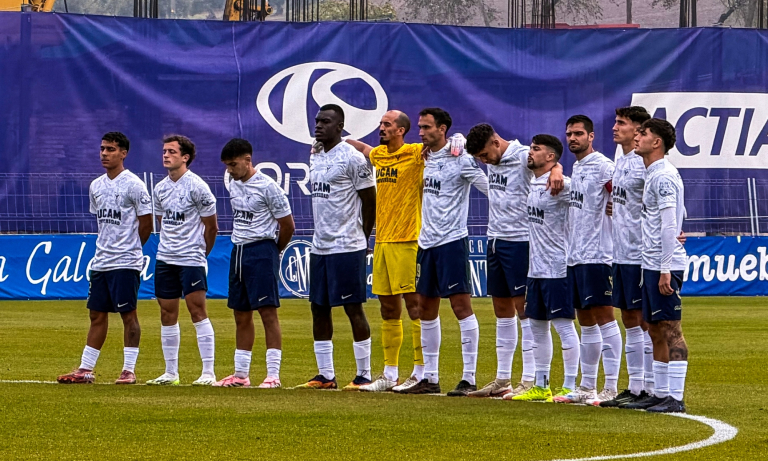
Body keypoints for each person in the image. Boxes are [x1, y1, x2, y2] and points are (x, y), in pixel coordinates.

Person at [464, 123, 564, 398]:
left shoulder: (522, 155)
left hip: (521, 241)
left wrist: (557, 169)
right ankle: (502, 379)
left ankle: (530, 378)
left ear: (496, 142)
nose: (484, 162)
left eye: (485, 155)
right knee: (501, 311)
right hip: (494, 239)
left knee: (525, 312)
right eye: (480, 159)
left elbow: (551, 162)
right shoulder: (491, 159)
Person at [398, 108, 489, 396]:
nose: (421, 132)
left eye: (426, 128)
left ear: (443, 128)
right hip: (426, 243)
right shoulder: (423, 158)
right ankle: (431, 377)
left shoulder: (460, 158)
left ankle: (469, 378)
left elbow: (489, 188)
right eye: (420, 128)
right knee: (425, 308)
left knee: (461, 307)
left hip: (452, 241)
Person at [57, 132, 152, 385]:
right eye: (102, 149)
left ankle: (129, 370)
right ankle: (85, 369)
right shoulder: (96, 185)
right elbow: (102, 221)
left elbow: (147, 224)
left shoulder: (135, 185)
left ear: (123, 153)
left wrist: (131, 249)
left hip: (126, 262)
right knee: (96, 315)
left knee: (128, 315)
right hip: (101, 261)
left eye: (110, 149)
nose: (104, 153)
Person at [294, 104, 377, 391]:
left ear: (340, 127)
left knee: (353, 308)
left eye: (326, 122)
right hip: (320, 247)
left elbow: (370, 201)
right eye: (317, 121)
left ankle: (364, 374)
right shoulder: (315, 153)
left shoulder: (352, 158)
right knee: (319, 308)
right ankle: (325, 375)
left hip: (347, 245)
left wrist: (362, 238)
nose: (318, 125)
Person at [344, 110, 426, 392]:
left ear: (401, 130)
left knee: (415, 305)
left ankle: (421, 372)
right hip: (383, 240)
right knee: (388, 307)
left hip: (408, 239)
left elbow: (443, 143)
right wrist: (341, 142)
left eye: (387, 124)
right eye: (381, 124)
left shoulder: (416, 153)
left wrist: (456, 141)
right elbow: (366, 149)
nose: (381, 128)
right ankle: (389, 374)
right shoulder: (380, 154)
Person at [554, 115, 623, 406]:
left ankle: (612, 387)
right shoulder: (577, 166)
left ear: (591, 136)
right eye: (569, 133)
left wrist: (614, 208)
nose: (573, 138)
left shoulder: (604, 166)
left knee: (605, 318)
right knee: (586, 321)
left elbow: (623, 197)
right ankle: (586, 387)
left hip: (598, 254)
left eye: (579, 133)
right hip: (576, 255)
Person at [215, 138, 295, 388]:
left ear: (248, 160)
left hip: (262, 250)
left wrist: (272, 251)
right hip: (238, 251)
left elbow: (288, 225)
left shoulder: (269, 187)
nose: (230, 170)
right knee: (240, 313)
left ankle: (273, 375)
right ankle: (241, 375)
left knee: (268, 313)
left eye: (233, 164)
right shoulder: (233, 182)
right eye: (227, 165)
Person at [623, 118, 689, 413]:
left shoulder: (663, 176)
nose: (637, 137)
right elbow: (677, 214)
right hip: (650, 262)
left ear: (657, 142)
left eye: (643, 133)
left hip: (665, 264)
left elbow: (668, 224)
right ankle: (660, 392)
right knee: (653, 328)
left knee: (671, 328)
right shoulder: (652, 174)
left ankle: (675, 397)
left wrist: (665, 267)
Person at [508, 135, 581, 403]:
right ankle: (541, 384)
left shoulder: (563, 185)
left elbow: (592, 201)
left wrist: (559, 170)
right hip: (535, 268)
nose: (530, 152)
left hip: (558, 266)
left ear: (550, 157)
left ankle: (571, 385)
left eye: (536, 149)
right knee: (537, 325)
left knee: (563, 326)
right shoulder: (534, 182)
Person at [146, 135, 219, 387]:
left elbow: (212, 227)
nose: (166, 155)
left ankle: (208, 372)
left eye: (172, 152)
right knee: (167, 313)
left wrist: (200, 253)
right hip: (166, 258)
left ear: (185, 157)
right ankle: (171, 373)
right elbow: (161, 222)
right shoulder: (160, 188)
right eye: (164, 151)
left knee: (197, 311)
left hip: (191, 259)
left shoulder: (198, 187)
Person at [598, 107, 657, 407]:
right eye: (616, 122)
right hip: (619, 252)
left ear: (638, 130)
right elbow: (623, 200)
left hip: (639, 253)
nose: (615, 127)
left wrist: (676, 230)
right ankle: (633, 387)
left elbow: (662, 199)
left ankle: (648, 387)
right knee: (629, 320)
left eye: (621, 123)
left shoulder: (644, 163)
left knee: (645, 322)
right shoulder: (619, 160)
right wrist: (615, 208)